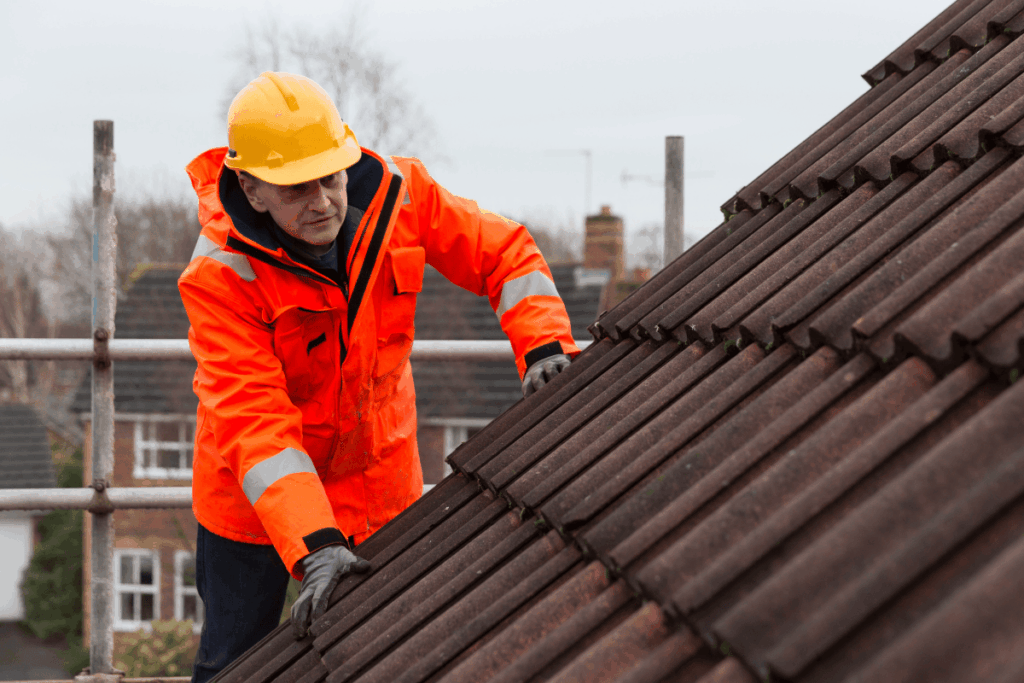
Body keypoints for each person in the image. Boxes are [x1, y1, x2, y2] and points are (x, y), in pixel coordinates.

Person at [179, 71, 579, 682]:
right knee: (236, 664)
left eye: (330, 177)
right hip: (254, 507)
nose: (321, 202)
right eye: (295, 189)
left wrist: (544, 344)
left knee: (383, 655)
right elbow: (254, 422)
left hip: (377, 487)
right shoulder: (221, 277)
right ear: (252, 190)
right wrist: (315, 543)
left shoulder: (402, 196)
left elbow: (503, 252)